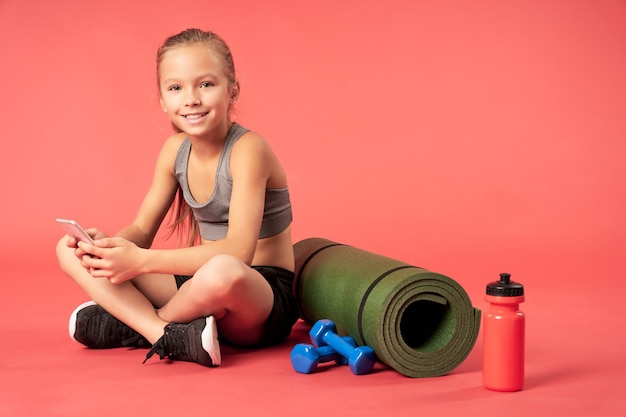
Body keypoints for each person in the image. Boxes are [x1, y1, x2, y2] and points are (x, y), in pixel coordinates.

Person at [56, 28, 299, 367]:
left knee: (222, 270)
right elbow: (142, 228)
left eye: (206, 84)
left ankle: (138, 325)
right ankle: (167, 333)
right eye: (175, 88)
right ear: (162, 100)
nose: (191, 99)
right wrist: (109, 248)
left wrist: (139, 261)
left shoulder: (248, 150)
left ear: (233, 90)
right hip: (199, 284)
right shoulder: (174, 151)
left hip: (259, 296)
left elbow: (238, 252)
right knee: (67, 251)